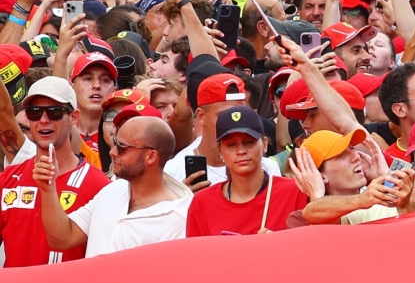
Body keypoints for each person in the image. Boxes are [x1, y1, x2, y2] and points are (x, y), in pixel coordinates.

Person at [38, 114, 189, 257]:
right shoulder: (113, 190)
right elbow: (63, 238)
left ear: (150, 156)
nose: (112, 152)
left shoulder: (179, 218)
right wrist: (48, 189)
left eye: (122, 147)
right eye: (115, 143)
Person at [0, 76, 109, 266]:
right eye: (34, 112)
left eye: (55, 112)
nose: (43, 120)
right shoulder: (8, 179)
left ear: (74, 117)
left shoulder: (100, 186)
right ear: (27, 117)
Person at [184, 109, 308, 236]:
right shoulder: (202, 202)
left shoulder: (295, 192)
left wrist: (279, 244)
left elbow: (310, 247)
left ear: (265, 144)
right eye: (231, 144)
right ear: (220, 151)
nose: (241, 151)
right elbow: (196, 254)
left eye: (249, 142)